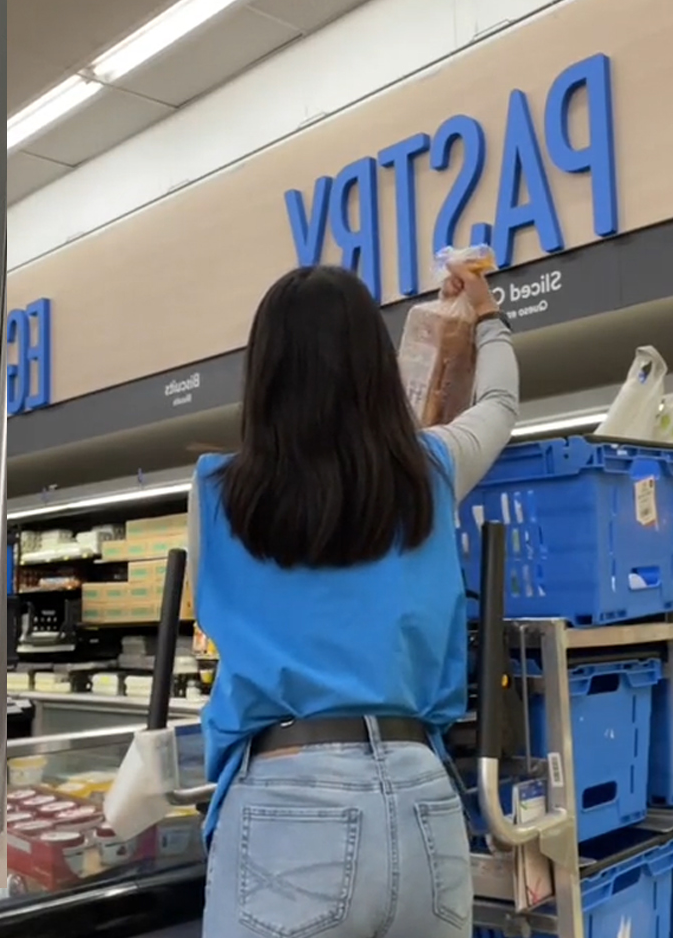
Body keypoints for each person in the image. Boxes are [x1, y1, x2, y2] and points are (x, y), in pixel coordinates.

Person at [192, 261, 516, 938]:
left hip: (286, 803)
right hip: (423, 796)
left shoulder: (219, 492)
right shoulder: (430, 470)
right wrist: (486, 319)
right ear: (375, 365)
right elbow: (499, 407)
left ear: (265, 374)